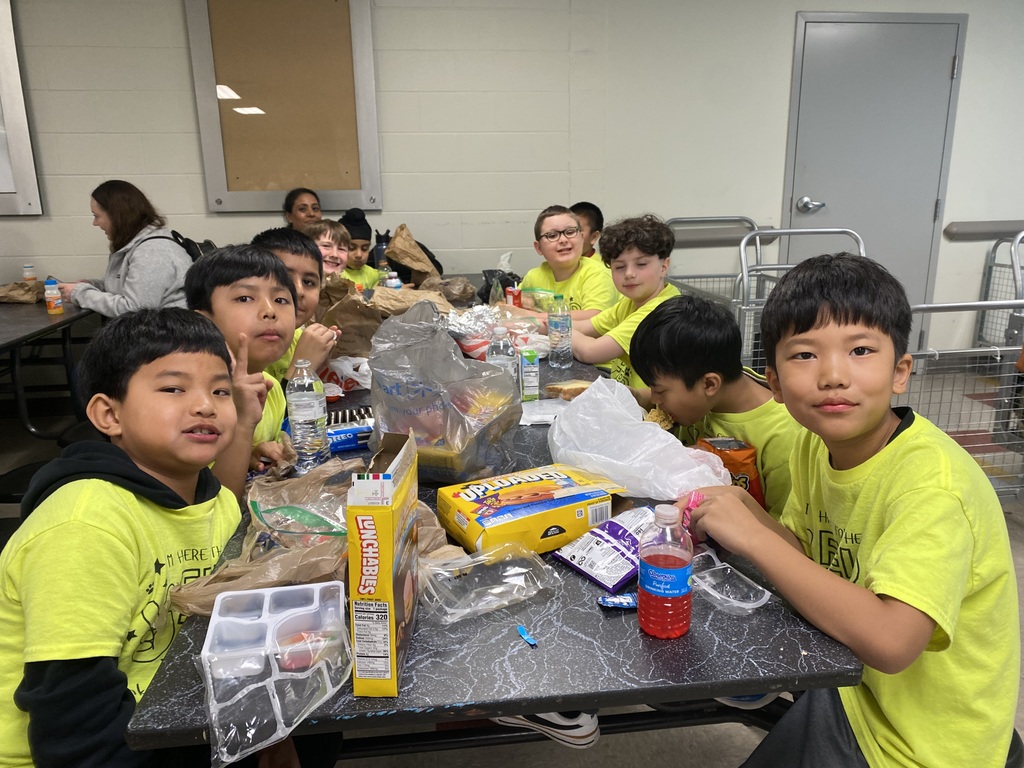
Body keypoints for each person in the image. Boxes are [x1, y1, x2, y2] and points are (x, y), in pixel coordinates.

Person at [690, 253, 1019, 767]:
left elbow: (891, 643)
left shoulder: (932, 486)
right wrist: (744, 509)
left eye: (861, 350)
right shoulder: (814, 442)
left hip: (917, 743)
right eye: (804, 355)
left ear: (900, 371)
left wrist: (753, 537)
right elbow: (807, 553)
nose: (833, 375)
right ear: (774, 382)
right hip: (852, 687)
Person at [0, 309, 262, 766]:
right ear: (109, 414)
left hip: (165, 715)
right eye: (174, 389)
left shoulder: (217, 500)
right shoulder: (86, 527)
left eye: (220, 390)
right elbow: (74, 726)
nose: (205, 405)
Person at [631, 294, 801, 519]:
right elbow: (645, 396)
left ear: (710, 384)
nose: (655, 399)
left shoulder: (783, 436)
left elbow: (781, 528)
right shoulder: (709, 393)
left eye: (660, 391)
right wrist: (627, 395)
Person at [185, 245, 297, 475]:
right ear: (204, 320)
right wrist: (243, 423)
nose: (270, 311)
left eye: (280, 299)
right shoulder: (197, 402)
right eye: (245, 298)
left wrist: (253, 453)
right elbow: (210, 493)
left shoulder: (270, 389)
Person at [570, 214, 680, 393]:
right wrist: (540, 323)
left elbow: (590, 351)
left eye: (641, 264)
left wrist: (559, 330)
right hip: (626, 396)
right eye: (620, 267)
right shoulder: (631, 302)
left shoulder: (660, 311)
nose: (629, 274)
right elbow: (586, 326)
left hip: (650, 406)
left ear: (664, 266)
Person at [58, 179, 193, 317]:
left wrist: (80, 293)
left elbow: (134, 310)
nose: (95, 223)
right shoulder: (139, 244)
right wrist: (94, 286)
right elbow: (128, 288)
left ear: (116, 216)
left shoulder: (152, 252)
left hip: (168, 329)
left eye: (97, 216)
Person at [251, 227, 340, 387]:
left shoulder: (301, 338)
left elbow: (312, 400)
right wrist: (302, 367)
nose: (298, 291)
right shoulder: (244, 345)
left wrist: (319, 367)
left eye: (308, 282)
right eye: (285, 278)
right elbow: (269, 404)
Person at [518, 205, 616, 330]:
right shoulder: (533, 277)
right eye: (552, 235)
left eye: (570, 232)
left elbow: (594, 316)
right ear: (539, 248)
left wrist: (533, 316)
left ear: (581, 238)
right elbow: (511, 307)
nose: (563, 240)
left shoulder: (599, 274)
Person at [338, 208, 380, 288]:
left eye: (364, 248)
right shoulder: (335, 275)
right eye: (351, 248)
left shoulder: (373, 275)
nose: (359, 255)